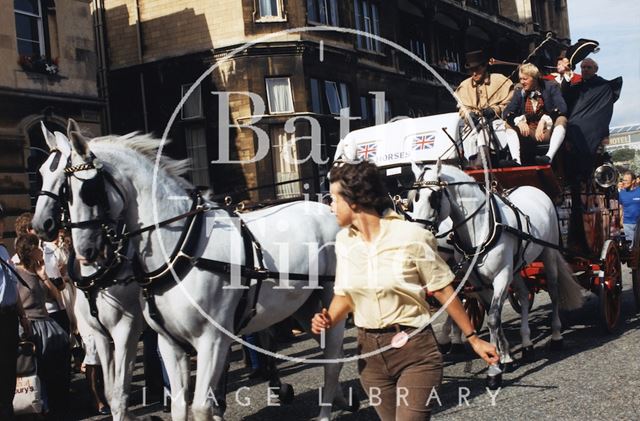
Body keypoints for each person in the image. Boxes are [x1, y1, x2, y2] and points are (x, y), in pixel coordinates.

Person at [311, 161, 498, 421]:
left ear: (353, 201)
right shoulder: (344, 242)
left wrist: (474, 338)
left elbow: (443, 289)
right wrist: (328, 319)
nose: (330, 207)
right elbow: (344, 295)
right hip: (370, 358)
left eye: (333, 199)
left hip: (415, 351)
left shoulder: (410, 236)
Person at [14, 233, 70, 419]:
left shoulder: (37, 271)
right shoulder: (17, 273)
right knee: (36, 371)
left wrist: (44, 277)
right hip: (31, 326)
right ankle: (39, 409)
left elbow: (56, 296)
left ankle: (52, 406)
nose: (41, 251)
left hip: (47, 325)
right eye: (37, 248)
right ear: (29, 252)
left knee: (53, 369)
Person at [455, 50, 521, 166]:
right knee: (472, 130)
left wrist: (495, 110)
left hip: (497, 122)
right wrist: (469, 115)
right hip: (473, 125)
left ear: (484, 66)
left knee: (484, 124)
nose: (474, 74)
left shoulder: (500, 80)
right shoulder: (464, 86)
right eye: (471, 70)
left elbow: (510, 102)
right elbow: (462, 108)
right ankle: (472, 159)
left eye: (477, 69)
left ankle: (483, 157)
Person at [564, 58, 623, 180]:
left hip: (593, 128)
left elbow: (605, 113)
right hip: (574, 127)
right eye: (583, 67)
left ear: (595, 69)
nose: (585, 70)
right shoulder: (577, 88)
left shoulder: (603, 87)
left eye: (588, 67)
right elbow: (566, 98)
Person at [0, 204, 31, 420]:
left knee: (9, 372)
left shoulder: (2, 250)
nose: (1, 225)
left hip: (9, 318)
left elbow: (12, 287)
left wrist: (22, 316)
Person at [504, 63, 568, 165]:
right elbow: (506, 112)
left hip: (547, 131)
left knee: (562, 119)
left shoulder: (551, 86)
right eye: (520, 79)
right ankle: (516, 161)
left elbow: (562, 108)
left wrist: (544, 120)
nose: (522, 82)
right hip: (529, 131)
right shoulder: (519, 90)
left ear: (534, 78)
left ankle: (548, 157)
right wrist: (519, 122)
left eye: (525, 79)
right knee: (508, 124)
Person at [619, 171, 640, 246]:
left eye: (626, 180)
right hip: (627, 223)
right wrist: (619, 220)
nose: (624, 182)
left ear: (633, 181)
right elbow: (621, 208)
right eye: (623, 180)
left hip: (639, 223)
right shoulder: (621, 193)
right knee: (631, 247)